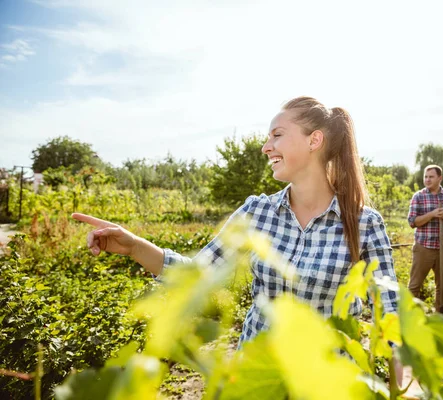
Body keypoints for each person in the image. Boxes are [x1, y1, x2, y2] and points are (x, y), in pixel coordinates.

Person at [72, 96, 399, 345]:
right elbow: (198, 274)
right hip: (255, 377)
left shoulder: (363, 223)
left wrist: (406, 376)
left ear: (314, 141)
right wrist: (134, 247)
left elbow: (390, 312)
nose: (265, 146)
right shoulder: (257, 212)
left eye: (277, 135)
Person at [407, 164, 443, 314]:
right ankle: (407, 320)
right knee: (414, 286)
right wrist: (432, 214)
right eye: (426, 176)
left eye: (431, 177)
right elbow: (412, 222)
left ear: (440, 178)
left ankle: (441, 319)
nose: (427, 179)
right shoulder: (419, 196)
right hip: (423, 248)